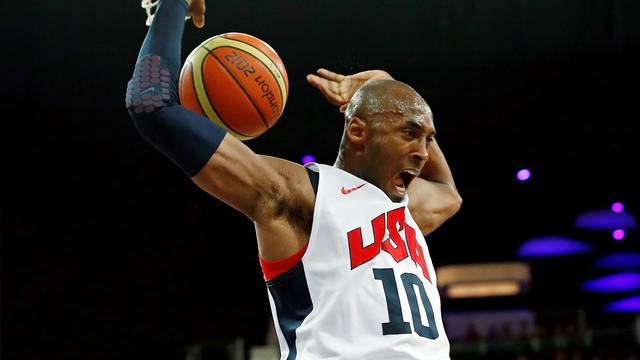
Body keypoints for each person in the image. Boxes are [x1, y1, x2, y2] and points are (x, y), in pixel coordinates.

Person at [125, 0, 462, 358]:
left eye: (429, 139)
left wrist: (390, 85)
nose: (425, 153)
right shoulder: (303, 194)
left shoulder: (407, 208)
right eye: (410, 133)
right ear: (359, 132)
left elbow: (448, 193)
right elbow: (151, 105)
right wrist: (171, 6)